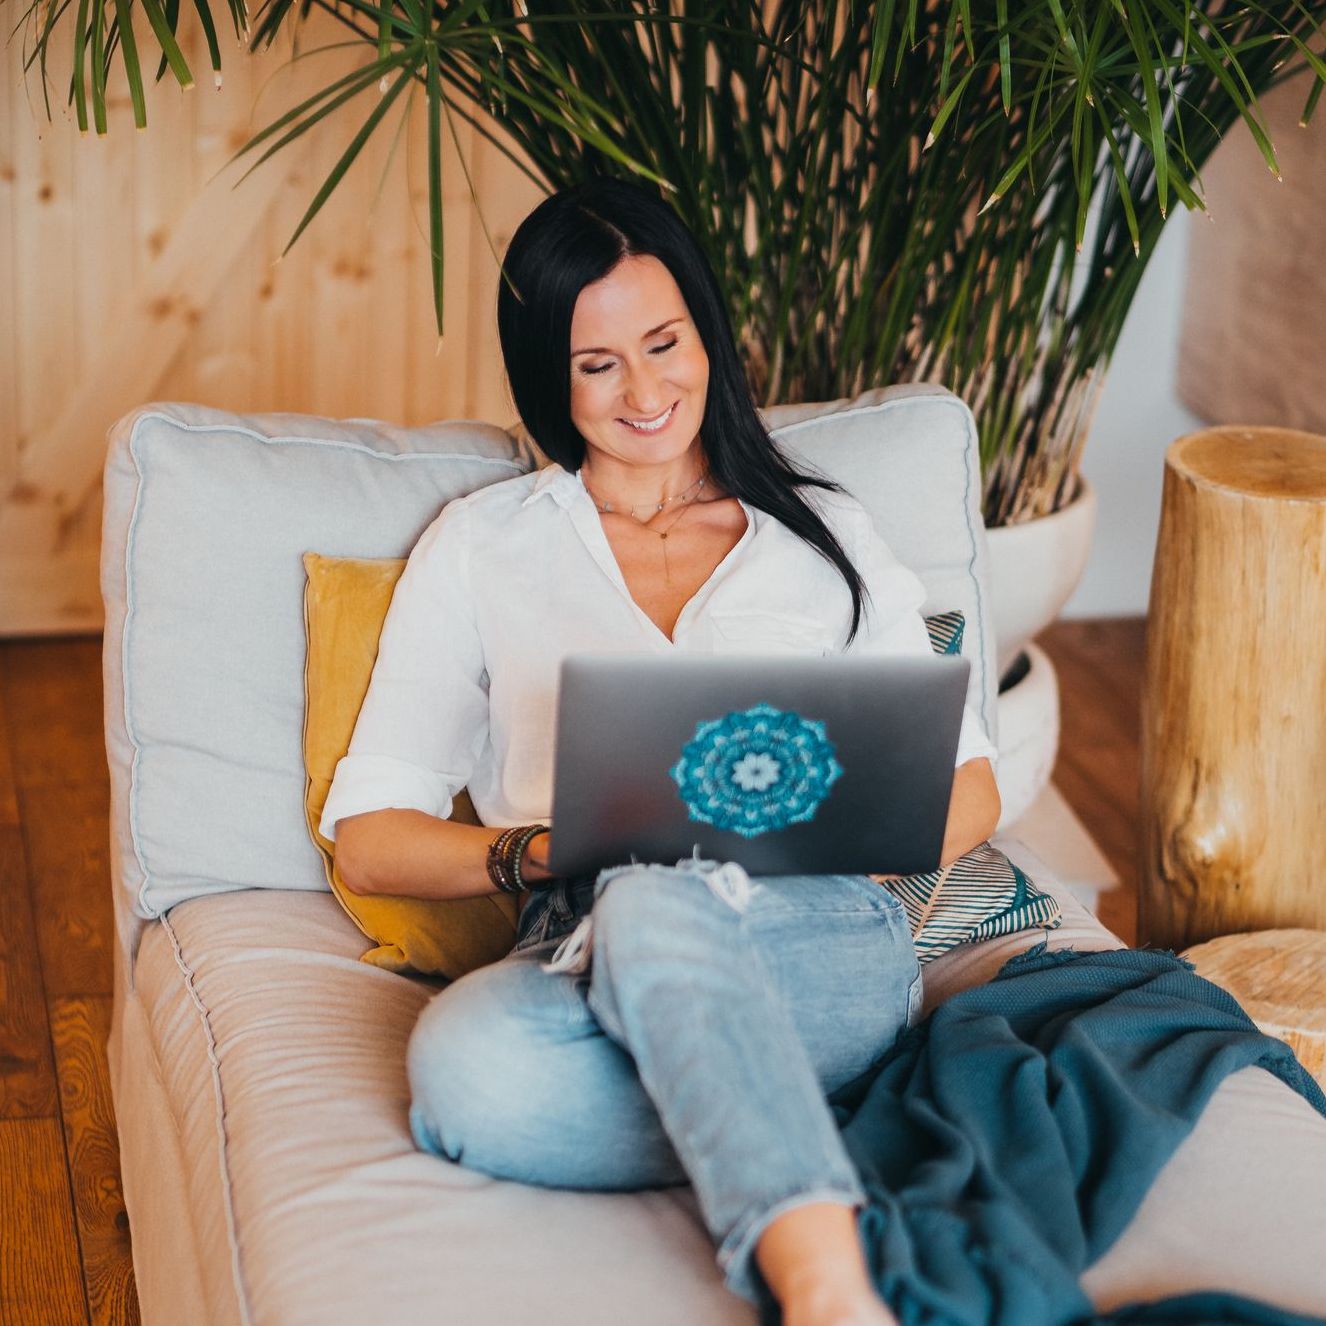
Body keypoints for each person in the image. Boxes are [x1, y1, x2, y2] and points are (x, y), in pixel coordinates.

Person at [319, 176, 1001, 1326]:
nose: (644, 391)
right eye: (598, 365)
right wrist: (543, 850)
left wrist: (818, 826)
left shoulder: (825, 533)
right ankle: (773, 1127)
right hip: (583, 934)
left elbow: (970, 788)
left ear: (705, 333)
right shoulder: (484, 548)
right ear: (552, 376)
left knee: (652, 907)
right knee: (468, 1069)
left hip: (818, 933)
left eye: (663, 342)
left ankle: (826, 1293)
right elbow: (370, 839)